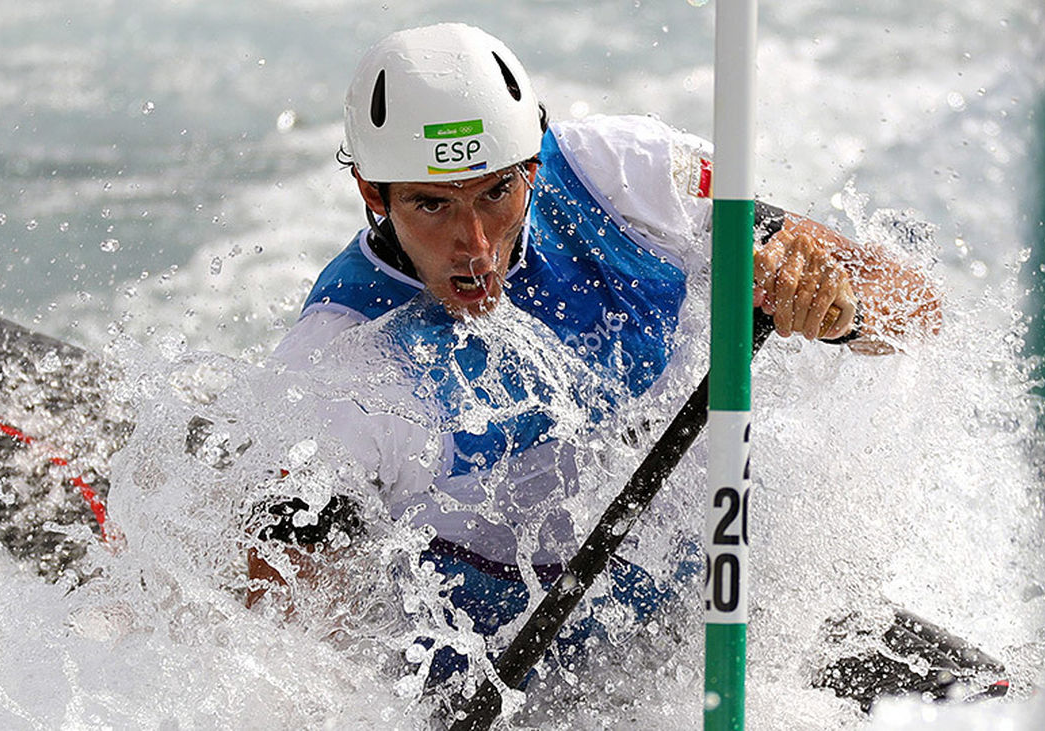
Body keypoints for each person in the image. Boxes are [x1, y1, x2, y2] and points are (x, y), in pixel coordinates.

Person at [246, 22, 942, 692]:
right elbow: (280, 654)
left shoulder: (630, 181)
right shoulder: (337, 368)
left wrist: (838, 310)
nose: (478, 246)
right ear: (373, 192)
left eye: (496, 192)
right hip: (492, 683)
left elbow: (918, 306)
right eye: (432, 205)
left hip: (713, 608)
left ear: (534, 161)